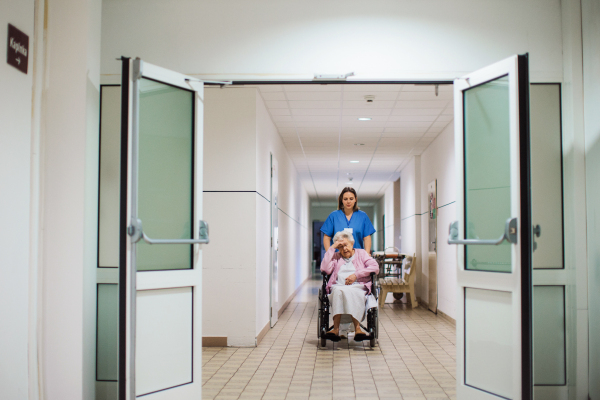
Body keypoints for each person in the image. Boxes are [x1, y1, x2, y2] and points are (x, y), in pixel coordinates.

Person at [320, 230, 379, 342]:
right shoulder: (336, 256)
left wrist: (356, 275)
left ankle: (358, 329)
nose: (344, 249)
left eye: (346, 245)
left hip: (358, 286)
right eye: (340, 247)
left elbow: (375, 267)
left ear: (352, 243)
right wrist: (332, 247)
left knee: (352, 291)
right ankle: (335, 329)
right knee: (337, 291)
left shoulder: (361, 253)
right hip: (339, 286)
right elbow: (324, 269)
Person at [321, 187, 376, 253]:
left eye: (351, 199)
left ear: (355, 199)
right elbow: (326, 237)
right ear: (342, 200)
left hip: (357, 257)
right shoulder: (334, 216)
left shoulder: (363, 216)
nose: (348, 201)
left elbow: (367, 237)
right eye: (345, 199)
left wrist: (366, 254)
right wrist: (329, 254)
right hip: (338, 258)